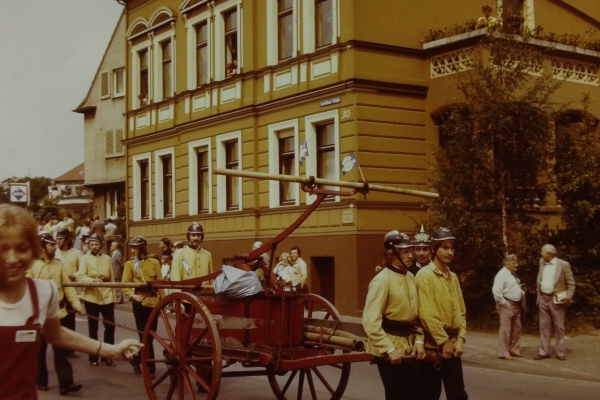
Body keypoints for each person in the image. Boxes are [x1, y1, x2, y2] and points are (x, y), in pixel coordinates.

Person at [0, 204, 141, 399]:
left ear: (32, 249)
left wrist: (111, 350)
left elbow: (55, 334)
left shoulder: (42, 292)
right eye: (3, 249)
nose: (13, 258)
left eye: (22, 248)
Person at [363, 231, 425, 400]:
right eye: (405, 252)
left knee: (411, 394)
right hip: (389, 346)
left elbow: (416, 315)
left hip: (409, 346)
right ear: (391, 254)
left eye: (410, 251)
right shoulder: (382, 280)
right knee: (396, 395)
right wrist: (389, 349)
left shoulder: (411, 277)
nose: (410, 256)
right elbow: (370, 320)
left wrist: (419, 340)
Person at [27, 233, 85, 395]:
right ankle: (41, 379)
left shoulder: (59, 265)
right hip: (39, 315)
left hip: (59, 312)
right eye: (51, 245)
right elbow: (27, 291)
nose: (55, 247)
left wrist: (77, 305)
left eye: (55, 244)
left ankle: (66, 383)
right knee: (40, 349)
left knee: (61, 349)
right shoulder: (31, 266)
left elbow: (68, 288)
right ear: (42, 247)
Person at [415, 227, 468, 400]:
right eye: (444, 247)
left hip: (452, 347)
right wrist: (443, 341)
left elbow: (461, 312)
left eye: (452, 247)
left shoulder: (452, 277)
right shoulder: (424, 275)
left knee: (458, 394)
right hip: (433, 348)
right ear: (433, 249)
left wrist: (460, 339)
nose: (449, 252)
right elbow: (427, 314)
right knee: (429, 395)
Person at [121, 236, 164, 378]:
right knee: (144, 336)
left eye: (136, 247)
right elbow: (125, 284)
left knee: (150, 335)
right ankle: (150, 368)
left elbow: (160, 284)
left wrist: (163, 302)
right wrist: (131, 296)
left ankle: (135, 358)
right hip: (139, 304)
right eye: (131, 247)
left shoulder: (155, 262)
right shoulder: (129, 264)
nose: (132, 250)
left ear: (143, 247)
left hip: (153, 303)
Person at [76, 234, 118, 366]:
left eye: (96, 244)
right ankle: (93, 357)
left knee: (110, 326)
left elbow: (111, 278)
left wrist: (114, 298)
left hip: (107, 296)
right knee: (93, 328)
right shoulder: (84, 259)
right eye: (92, 244)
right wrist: (92, 280)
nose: (94, 247)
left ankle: (107, 355)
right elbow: (80, 277)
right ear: (89, 245)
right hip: (91, 297)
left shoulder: (107, 258)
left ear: (101, 245)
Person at [534, 244, 576, 361]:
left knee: (559, 327)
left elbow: (571, 283)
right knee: (543, 326)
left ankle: (560, 352)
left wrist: (568, 296)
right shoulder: (542, 262)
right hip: (543, 298)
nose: (541, 253)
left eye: (542, 251)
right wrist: (538, 291)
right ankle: (544, 351)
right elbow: (539, 277)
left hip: (557, 300)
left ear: (549, 254)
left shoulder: (563, 265)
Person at [170, 223, 213, 306]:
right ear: (188, 236)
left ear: (202, 237)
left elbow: (211, 278)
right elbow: (175, 277)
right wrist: (177, 300)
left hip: (204, 299)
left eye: (198, 235)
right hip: (186, 299)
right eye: (193, 235)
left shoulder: (207, 254)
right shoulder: (180, 253)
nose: (196, 238)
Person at [492, 254, 524, 360]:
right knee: (506, 329)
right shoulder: (501, 274)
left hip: (516, 304)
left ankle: (514, 349)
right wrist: (503, 303)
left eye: (517, 262)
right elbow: (496, 291)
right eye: (514, 263)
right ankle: (504, 352)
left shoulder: (512, 274)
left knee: (517, 328)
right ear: (506, 263)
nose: (517, 265)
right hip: (507, 303)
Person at [55, 228, 83, 348]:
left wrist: (75, 275)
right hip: (59, 291)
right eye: (57, 238)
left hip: (73, 290)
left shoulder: (76, 253)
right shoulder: (54, 252)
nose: (58, 241)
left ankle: (70, 348)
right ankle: (61, 346)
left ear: (67, 239)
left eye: (60, 238)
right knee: (60, 319)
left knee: (70, 319)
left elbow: (81, 271)